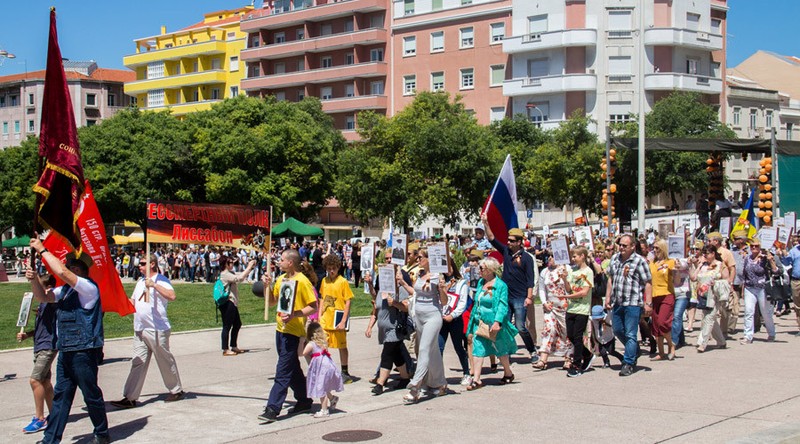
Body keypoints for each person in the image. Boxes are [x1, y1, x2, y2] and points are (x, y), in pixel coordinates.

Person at [26, 237, 110, 444]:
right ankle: (50, 439)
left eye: (71, 267)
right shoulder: (65, 291)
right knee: (61, 397)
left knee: (90, 395)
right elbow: (43, 297)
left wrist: (42, 249)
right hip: (66, 350)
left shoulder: (89, 288)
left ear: (78, 271)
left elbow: (62, 273)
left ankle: (101, 433)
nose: (66, 270)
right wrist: (33, 279)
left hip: (84, 351)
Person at [111, 254, 184, 409]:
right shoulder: (140, 281)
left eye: (143, 263)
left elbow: (172, 296)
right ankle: (130, 397)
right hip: (140, 329)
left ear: (152, 264)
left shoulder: (161, 280)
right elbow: (133, 301)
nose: (139, 265)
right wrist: (119, 302)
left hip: (157, 329)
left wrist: (155, 285)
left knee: (164, 360)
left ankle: (176, 390)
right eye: (139, 263)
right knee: (138, 362)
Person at [259, 249, 318, 423]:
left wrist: (295, 314)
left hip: (293, 332)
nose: (279, 261)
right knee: (292, 368)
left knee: (283, 370)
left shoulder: (302, 281)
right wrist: (266, 286)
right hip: (280, 330)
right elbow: (271, 302)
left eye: (282, 259)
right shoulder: (281, 279)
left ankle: (273, 408)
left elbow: (313, 306)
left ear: (290, 262)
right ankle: (304, 400)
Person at [481, 213, 539, 364]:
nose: (509, 242)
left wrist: (529, 297)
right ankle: (506, 352)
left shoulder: (527, 258)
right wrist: (486, 223)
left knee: (520, 326)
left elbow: (530, 279)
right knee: (504, 325)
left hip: (520, 297)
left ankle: (532, 350)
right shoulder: (506, 251)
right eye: (508, 240)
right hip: (506, 296)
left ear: (520, 242)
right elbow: (492, 239)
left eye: (512, 241)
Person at [398, 248, 449, 404]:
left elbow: (444, 301)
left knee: (424, 349)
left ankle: (415, 386)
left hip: (433, 316)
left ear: (429, 259)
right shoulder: (420, 275)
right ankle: (440, 383)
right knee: (432, 351)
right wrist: (403, 283)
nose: (418, 260)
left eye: (421, 257)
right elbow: (415, 292)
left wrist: (441, 289)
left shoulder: (437, 277)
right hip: (418, 317)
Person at [465, 257, 518, 390]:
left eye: (481, 268)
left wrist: (497, 322)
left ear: (489, 269)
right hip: (480, 322)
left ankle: (508, 373)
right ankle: (476, 379)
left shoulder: (500, 285)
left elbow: (502, 305)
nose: (479, 271)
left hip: (494, 323)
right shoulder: (481, 282)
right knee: (478, 348)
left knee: (500, 349)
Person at [604, 233, 653, 377]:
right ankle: (634, 349)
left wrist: (648, 303)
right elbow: (610, 279)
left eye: (625, 245)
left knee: (631, 333)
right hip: (618, 301)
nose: (621, 247)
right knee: (618, 330)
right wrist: (607, 297)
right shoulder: (615, 259)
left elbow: (648, 282)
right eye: (620, 245)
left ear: (633, 246)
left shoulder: (639, 261)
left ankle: (628, 362)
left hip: (633, 302)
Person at [17, 273, 57, 434]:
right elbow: (41, 326)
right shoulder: (42, 305)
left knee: (35, 380)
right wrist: (28, 334)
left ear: (47, 287)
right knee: (45, 382)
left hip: (48, 346)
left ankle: (39, 418)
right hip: (39, 345)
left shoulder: (52, 301)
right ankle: (55, 414)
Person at [318, 254, 355, 384]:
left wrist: (344, 320)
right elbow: (322, 298)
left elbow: (348, 301)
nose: (331, 271)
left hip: (337, 319)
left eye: (333, 268)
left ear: (338, 267)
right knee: (322, 346)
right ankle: (326, 371)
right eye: (329, 268)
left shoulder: (343, 281)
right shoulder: (324, 281)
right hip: (325, 319)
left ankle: (344, 371)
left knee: (341, 346)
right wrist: (319, 315)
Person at [532, 256, 572, 371]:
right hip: (550, 307)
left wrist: (564, 278)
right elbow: (542, 288)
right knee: (548, 329)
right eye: (548, 256)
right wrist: (544, 302)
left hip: (564, 306)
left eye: (552, 256)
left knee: (566, 332)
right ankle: (543, 359)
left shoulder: (567, 269)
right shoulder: (545, 271)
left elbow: (570, 288)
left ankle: (569, 358)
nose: (550, 259)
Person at [689, 245, 728, 352]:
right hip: (702, 295)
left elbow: (727, 280)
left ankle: (702, 343)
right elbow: (693, 278)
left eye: (707, 253)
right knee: (711, 319)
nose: (705, 255)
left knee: (708, 319)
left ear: (713, 253)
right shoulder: (703, 265)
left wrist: (716, 283)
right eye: (704, 253)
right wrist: (697, 266)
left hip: (714, 295)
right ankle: (721, 341)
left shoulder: (720, 265)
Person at [562, 246, 594, 377]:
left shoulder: (588, 272)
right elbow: (569, 289)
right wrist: (564, 279)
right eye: (572, 256)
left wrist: (567, 297)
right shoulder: (572, 271)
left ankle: (576, 364)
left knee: (578, 336)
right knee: (570, 335)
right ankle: (587, 354)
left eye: (575, 256)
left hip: (582, 309)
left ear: (582, 256)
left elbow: (584, 292)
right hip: (571, 308)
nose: (573, 259)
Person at [438, 263, 471, 386]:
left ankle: (466, 373)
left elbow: (462, 302)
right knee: (439, 347)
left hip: (455, 319)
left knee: (458, 347)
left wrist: (453, 315)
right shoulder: (439, 281)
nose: (447, 270)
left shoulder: (461, 282)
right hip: (442, 319)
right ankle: (439, 376)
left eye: (449, 267)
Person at [302, 322, 344, 418]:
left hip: (322, 368)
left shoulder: (311, 344)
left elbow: (302, 353)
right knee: (323, 386)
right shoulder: (323, 343)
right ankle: (332, 398)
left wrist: (301, 342)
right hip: (328, 366)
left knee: (321, 388)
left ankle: (324, 410)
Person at [740, 238, 777, 344]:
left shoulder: (765, 258)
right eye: (752, 246)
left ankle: (771, 333)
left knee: (765, 313)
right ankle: (748, 336)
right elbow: (744, 274)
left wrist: (770, 260)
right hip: (749, 288)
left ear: (760, 247)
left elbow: (776, 271)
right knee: (748, 312)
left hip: (762, 288)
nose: (754, 248)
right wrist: (743, 288)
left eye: (756, 246)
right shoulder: (747, 258)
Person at [219, 255, 257, 356]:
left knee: (237, 324)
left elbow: (240, 275)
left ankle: (234, 346)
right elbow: (239, 278)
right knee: (227, 326)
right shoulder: (224, 274)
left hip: (233, 302)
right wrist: (249, 267)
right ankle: (225, 349)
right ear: (225, 264)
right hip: (228, 303)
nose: (232, 264)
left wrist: (250, 268)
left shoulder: (229, 273)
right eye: (230, 262)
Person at [649, 240, 676, 360]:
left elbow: (677, 275)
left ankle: (671, 345)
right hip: (654, 296)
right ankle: (661, 352)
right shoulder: (651, 263)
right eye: (653, 248)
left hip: (667, 294)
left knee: (662, 322)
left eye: (657, 248)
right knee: (655, 326)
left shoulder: (670, 262)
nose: (655, 250)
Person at [706, 232, 737, 337]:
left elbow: (732, 268)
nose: (708, 242)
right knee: (709, 309)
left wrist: (730, 282)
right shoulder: (707, 253)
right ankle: (709, 332)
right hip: (710, 285)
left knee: (724, 310)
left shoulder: (726, 252)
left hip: (723, 284)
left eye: (709, 241)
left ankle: (723, 332)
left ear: (716, 241)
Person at [779, 234, 800, 335]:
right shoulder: (794, 251)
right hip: (796, 281)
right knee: (797, 305)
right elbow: (787, 263)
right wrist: (783, 254)